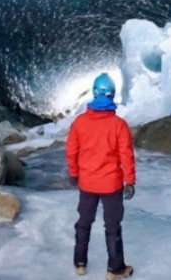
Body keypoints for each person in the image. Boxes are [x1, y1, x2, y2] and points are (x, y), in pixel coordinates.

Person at [66, 73, 136, 279]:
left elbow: (71, 150)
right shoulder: (119, 125)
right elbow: (127, 155)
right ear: (112, 95)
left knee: (84, 222)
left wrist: (74, 173)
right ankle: (115, 269)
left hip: (87, 183)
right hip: (111, 184)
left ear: (94, 93)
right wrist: (130, 181)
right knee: (112, 226)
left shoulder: (80, 122)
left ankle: (80, 263)